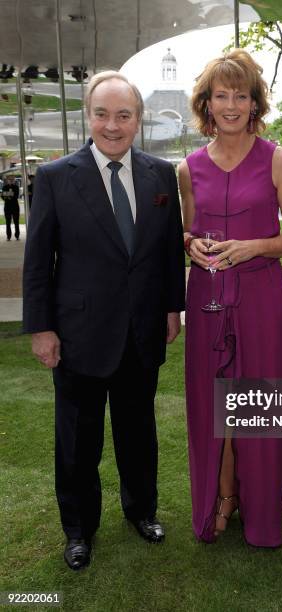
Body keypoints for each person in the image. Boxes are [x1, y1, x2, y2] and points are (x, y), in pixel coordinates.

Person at [22, 71, 185, 570]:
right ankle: (78, 529)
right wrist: (43, 327)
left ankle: (142, 511)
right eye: (102, 114)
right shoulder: (54, 178)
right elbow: (38, 260)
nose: (112, 125)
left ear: (138, 119)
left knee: (138, 432)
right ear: (88, 117)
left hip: (141, 331)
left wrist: (172, 308)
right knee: (78, 440)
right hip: (78, 335)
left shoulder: (161, 175)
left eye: (123, 115)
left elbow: (166, 252)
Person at [179, 49, 282, 548]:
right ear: (206, 104)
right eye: (220, 95)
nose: (230, 105)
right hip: (207, 293)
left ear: (254, 103)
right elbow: (185, 232)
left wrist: (253, 246)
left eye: (240, 95)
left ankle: (260, 516)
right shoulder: (188, 168)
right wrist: (191, 245)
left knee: (257, 406)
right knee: (213, 407)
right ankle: (220, 498)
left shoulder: (278, 159)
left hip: (260, 297)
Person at [1, 174, 20, 240]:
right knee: (8, 222)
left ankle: (17, 235)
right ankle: (8, 236)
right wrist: (10, 194)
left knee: (16, 222)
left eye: (12, 179)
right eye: (10, 179)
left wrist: (8, 195)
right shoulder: (4, 187)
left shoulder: (16, 187)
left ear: (14, 180)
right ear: (7, 180)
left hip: (15, 206)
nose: (11, 181)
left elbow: (16, 196)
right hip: (7, 207)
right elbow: (3, 197)